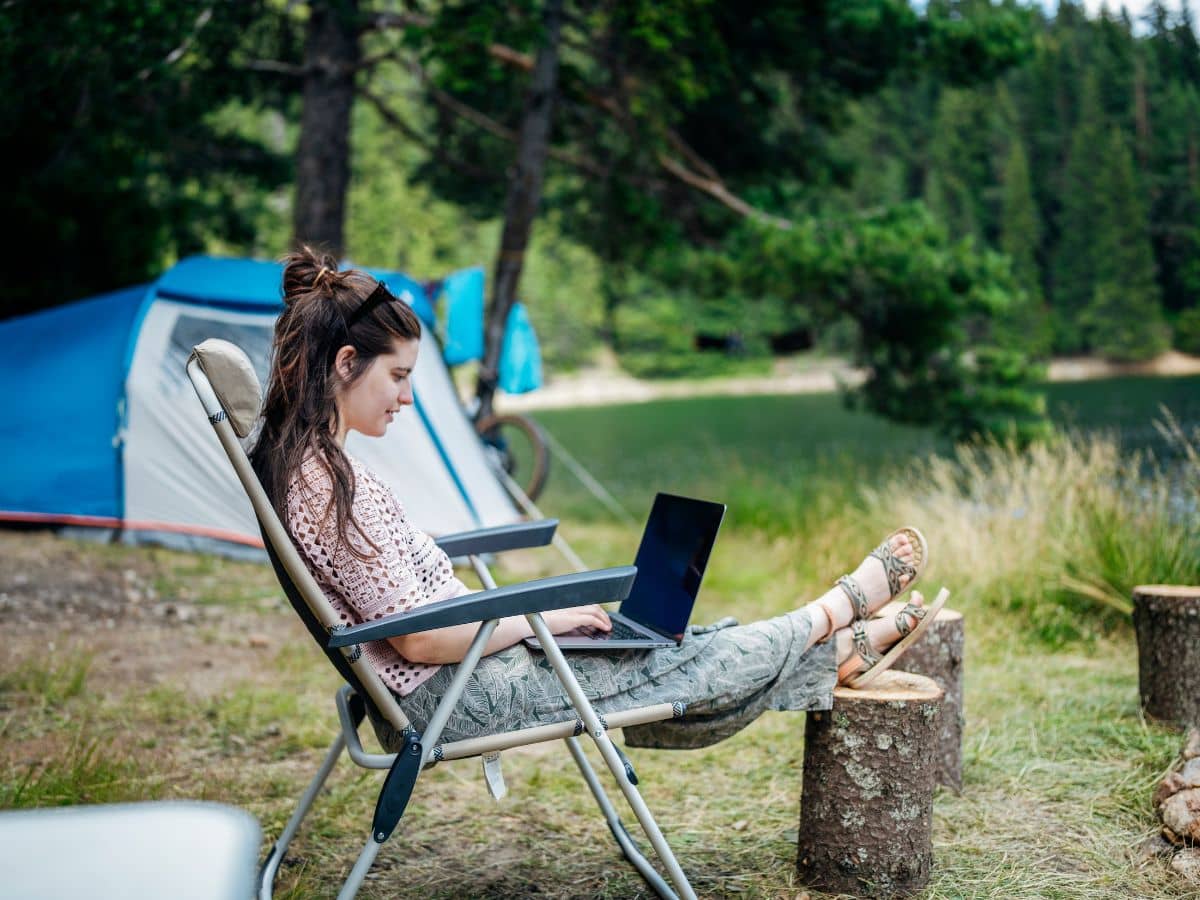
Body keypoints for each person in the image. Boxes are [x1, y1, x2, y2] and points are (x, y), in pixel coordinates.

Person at [251, 248, 937, 751]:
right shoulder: (322, 485)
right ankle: (832, 615)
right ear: (346, 364)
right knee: (673, 666)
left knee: (669, 652)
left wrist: (535, 620)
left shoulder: (318, 467)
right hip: (453, 694)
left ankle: (835, 650)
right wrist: (534, 616)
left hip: (464, 668)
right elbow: (420, 636)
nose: (405, 397)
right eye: (398, 377)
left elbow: (414, 621)